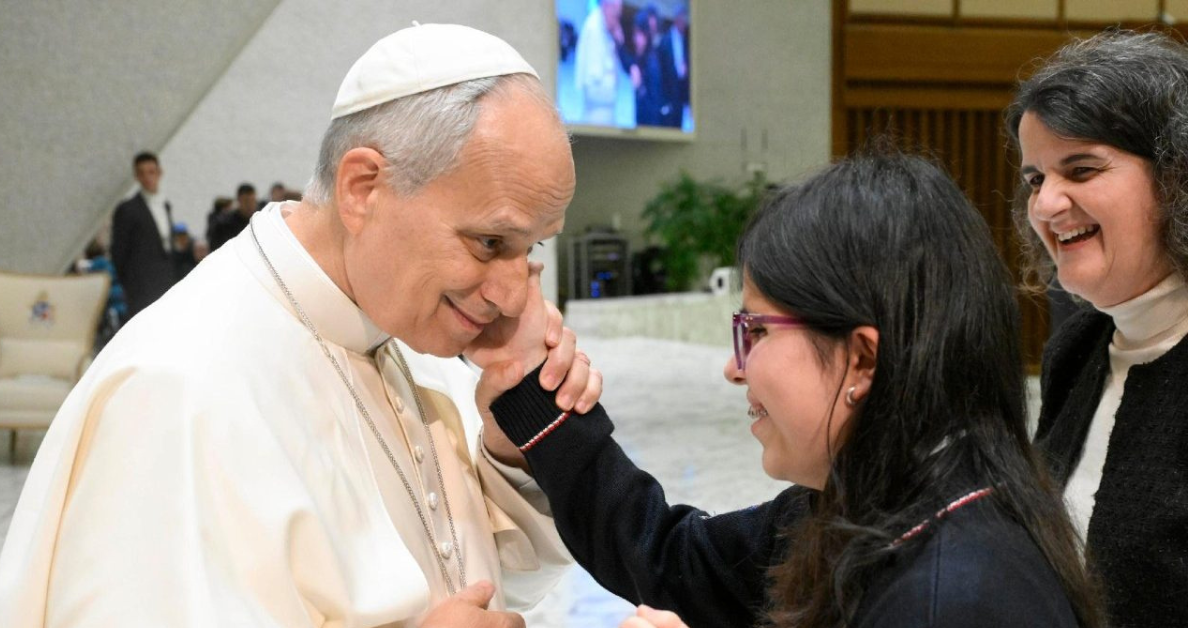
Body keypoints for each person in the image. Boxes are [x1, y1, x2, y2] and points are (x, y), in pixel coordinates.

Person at [0, 23, 601, 628]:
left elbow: (490, 582)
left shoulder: (403, 323)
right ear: (363, 188)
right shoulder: (179, 391)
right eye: (491, 241)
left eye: (531, 249)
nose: (514, 294)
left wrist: (507, 445)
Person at [476, 153, 1103, 627]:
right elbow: (671, 558)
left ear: (861, 357)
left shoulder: (954, 593)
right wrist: (532, 392)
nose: (734, 367)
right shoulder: (876, 499)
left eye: (755, 331)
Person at [1005, 30, 1188, 626]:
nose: (1045, 205)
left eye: (1080, 170)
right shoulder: (1078, 348)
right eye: (1036, 178)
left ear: (1176, 178)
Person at [110, 151, 177, 320]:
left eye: (151, 172)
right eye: (142, 173)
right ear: (136, 177)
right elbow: (119, 251)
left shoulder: (165, 205)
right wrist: (131, 283)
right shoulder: (127, 209)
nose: (147, 178)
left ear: (159, 173)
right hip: (140, 287)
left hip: (165, 281)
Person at [575, 0, 624, 126]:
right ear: (606, 7)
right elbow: (592, 88)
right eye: (616, 15)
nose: (617, 22)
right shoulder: (594, 29)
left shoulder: (605, 29)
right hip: (596, 119)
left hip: (606, 116)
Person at [209, 181, 259, 251]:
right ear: (239, 200)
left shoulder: (259, 221)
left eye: (252, 201)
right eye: (246, 201)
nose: (250, 205)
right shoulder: (225, 225)